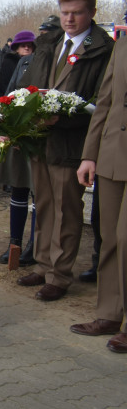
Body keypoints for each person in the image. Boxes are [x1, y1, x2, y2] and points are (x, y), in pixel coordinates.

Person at [15, 0, 113, 301]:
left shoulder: (103, 49)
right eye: (64, 12)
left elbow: (103, 101)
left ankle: (60, 275)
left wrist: (65, 118)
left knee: (66, 209)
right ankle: (43, 265)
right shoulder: (51, 42)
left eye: (77, 13)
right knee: (43, 205)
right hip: (41, 139)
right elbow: (34, 86)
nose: (69, 19)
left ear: (92, 13)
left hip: (73, 142)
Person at [73, 36, 127, 351]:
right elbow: (105, 100)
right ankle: (109, 313)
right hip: (111, 157)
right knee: (108, 238)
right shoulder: (122, 45)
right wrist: (90, 154)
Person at [0, 30, 38, 266]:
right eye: (24, 45)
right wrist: (4, 130)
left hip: (40, 137)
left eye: (32, 44)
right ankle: (15, 244)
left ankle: (34, 245)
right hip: (18, 135)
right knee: (18, 189)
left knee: (38, 193)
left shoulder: (47, 63)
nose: (28, 48)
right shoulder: (23, 63)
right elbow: (7, 96)